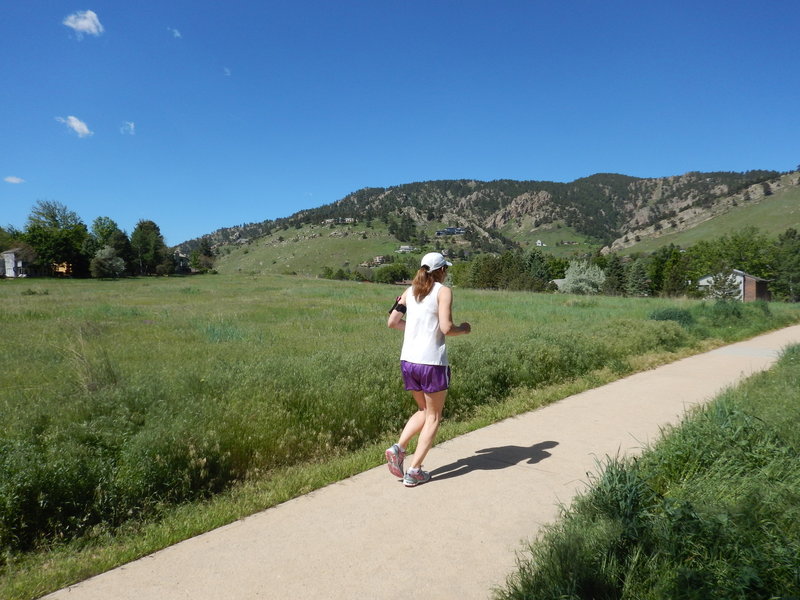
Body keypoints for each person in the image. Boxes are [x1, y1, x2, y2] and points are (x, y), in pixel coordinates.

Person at [386, 252, 471, 487]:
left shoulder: (409, 292)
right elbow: (446, 327)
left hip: (409, 361)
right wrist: (464, 328)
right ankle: (414, 471)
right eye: (446, 269)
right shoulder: (443, 291)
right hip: (431, 362)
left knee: (424, 410)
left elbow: (392, 321)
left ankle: (398, 448)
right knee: (434, 416)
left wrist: (415, 329)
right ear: (441, 270)